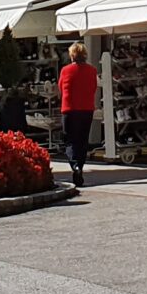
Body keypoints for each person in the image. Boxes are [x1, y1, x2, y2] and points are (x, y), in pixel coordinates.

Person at [57, 43, 97, 188]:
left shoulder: (65, 70)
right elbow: (93, 88)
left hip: (70, 108)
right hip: (86, 109)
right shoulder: (92, 70)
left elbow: (61, 88)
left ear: (72, 55)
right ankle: (80, 165)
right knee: (82, 139)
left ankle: (75, 166)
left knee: (70, 139)